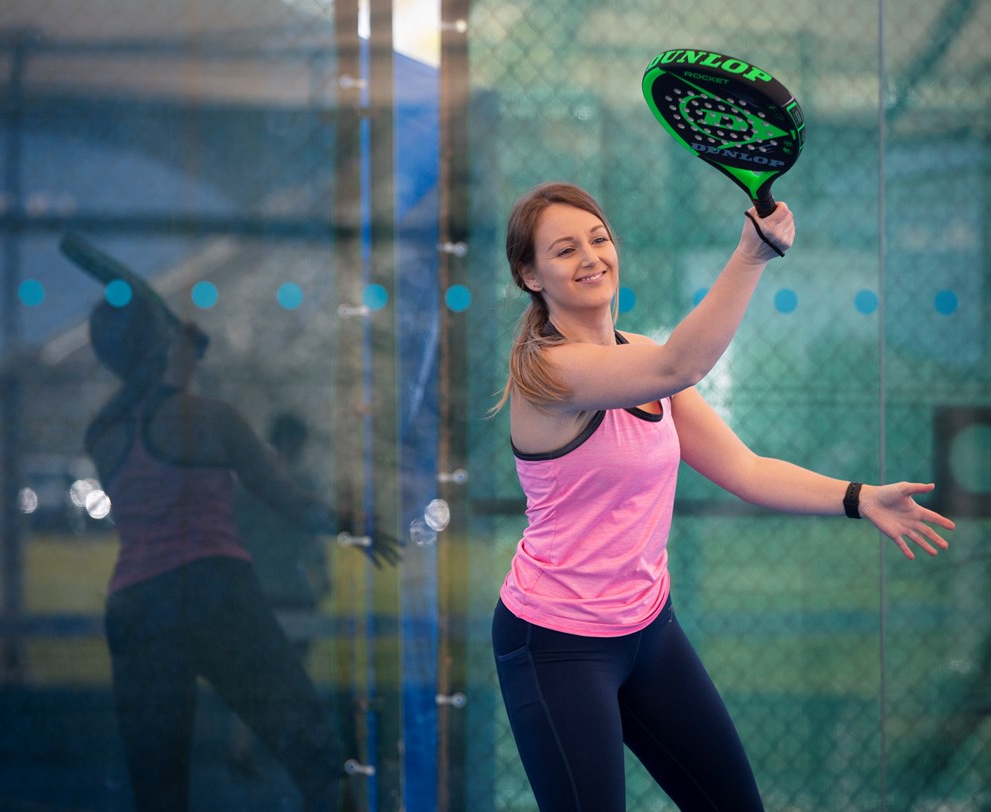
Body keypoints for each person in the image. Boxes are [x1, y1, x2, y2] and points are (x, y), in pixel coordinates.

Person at [490, 182, 955, 812]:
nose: (592, 257)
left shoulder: (643, 359)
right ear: (530, 275)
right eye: (565, 250)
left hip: (647, 629)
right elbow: (680, 365)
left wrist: (858, 497)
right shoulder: (549, 373)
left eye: (599, 239)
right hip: (555, 643)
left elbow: (745, 468)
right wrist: (752, 256)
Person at [85, 294, 395, 812]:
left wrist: (173, 360)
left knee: (158, 788)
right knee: (310, 750)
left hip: (135, 606)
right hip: (214, 593)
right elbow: (288, 500)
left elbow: (154, 408)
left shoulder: (102, 434)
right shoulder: (212, 417)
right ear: (162, 346)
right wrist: (349, 525)